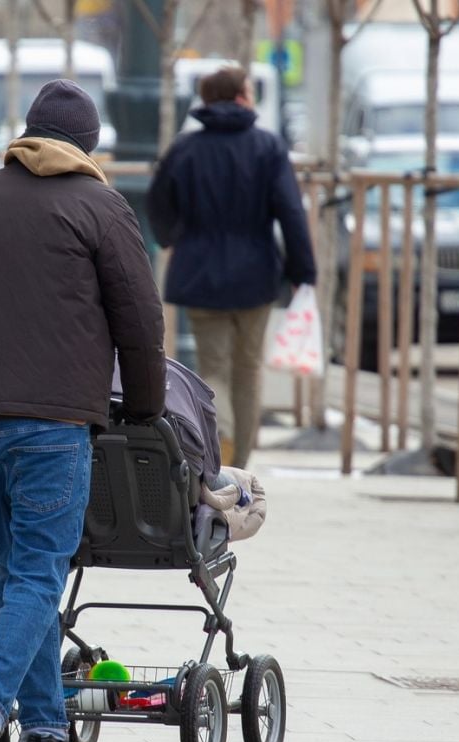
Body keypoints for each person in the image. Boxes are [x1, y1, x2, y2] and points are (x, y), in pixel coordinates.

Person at [0, 79, 166, 742]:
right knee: (36, 574)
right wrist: (145, 409)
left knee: (18, 576)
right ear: (88, 146)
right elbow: (141, 322)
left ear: (28, 133)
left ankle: (50, 734)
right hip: (54, 427)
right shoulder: (101, 206)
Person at [148, 66, 315, 469]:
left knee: (213, 367)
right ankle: (241, 460)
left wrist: (173, 236)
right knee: (248, 367)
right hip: (256, 273)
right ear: (241, 97)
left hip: (200, 272)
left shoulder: (185, 148)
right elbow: (291, 212)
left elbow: (157, 202)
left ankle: (218, 443)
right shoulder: (268, 147)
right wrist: (302, 272)